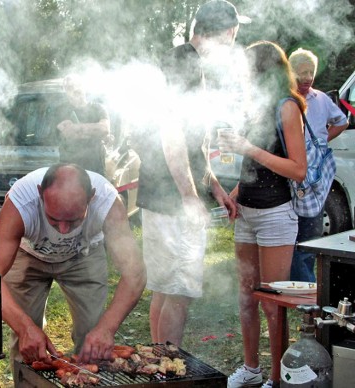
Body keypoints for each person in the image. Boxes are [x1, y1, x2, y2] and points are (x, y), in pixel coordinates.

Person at [133, 0, 242, 347]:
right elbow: (171, 133)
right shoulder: (185, 64)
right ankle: (170, 368)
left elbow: (196, 145)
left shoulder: (182, 60)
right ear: (226, 33)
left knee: (166, 289)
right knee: (178, 290)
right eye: (233, 37)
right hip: (171, 199)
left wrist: (214, 188)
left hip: (165, 194)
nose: (233, 45)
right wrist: (189, 196)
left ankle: (160, 363)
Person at [0, 164, 146, 370]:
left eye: (74, 220)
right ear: (40, 193)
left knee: (93, 333)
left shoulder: (107, 201)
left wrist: (106, 328)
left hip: (83, 255)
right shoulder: (21, 201)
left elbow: (135, 274)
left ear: (91, 197)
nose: (63, 229)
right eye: (53, 219)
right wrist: (24, 328)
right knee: (27, 343)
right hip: (29, 256)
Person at [221, 41, 307, 388]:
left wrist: (248, 147)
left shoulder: (287, 107)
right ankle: (252, 368)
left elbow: (297, 169)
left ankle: (276, 378)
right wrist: (235, 193)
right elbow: (254, 164)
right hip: (247, 213)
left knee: (272, 303)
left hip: (275, 215)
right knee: (246, 298)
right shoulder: (251, 107)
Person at [287, 48, 348, 283]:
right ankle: (289, 281)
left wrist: (321, 141)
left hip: (312, 180)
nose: (307, 78)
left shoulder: (321, 99)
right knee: (290, 234)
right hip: (289, 176)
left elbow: (342, 122)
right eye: (302, 73)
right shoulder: (286, 101)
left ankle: (304, 284)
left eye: (310, 72)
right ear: (290, 73)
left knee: (310, 233)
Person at [56, 75, 110, 176]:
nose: (75, 89)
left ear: (84, 87)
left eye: (78, 85)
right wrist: (93, 131)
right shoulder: (60, 111)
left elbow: (104, 129)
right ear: (66, 91)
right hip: (69, 174)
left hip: (96, 170)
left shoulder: (98, 108)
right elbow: (68, 134)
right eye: (70, 87)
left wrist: (75, 128)